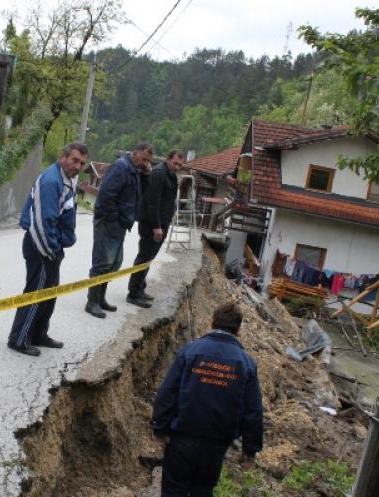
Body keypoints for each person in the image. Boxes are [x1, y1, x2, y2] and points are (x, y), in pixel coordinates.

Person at [152, 303, 263, 497]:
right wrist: (250, 450)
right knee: (203, 490)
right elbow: (252, 412)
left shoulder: (190, 351)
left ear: (212, 323)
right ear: (238, 329)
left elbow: (167, 392)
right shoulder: (246, 363)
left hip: (181, 439)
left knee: (173, 490)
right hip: (216, 445)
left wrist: (160, 429)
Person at [7, 143, 88, 357]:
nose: (78, 166)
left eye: (82, 162)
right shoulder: (51, 180)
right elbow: (43, 222)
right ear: (63, 157)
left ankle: (39, 334)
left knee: (49, 293)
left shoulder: (67, 179)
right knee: (36, 292)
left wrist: (62, 243)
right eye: (75, 160)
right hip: (40, 247)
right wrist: (51, 250)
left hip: (53, 247)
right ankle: (19, 338)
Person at [85, 143, 154, 318]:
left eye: (148, 161)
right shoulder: (121, 167)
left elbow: (142, 194)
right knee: (102, 263)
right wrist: (116, 218)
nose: (146, 163)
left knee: (113, 264)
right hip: (109, 223)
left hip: (120, 224)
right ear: (135, 153)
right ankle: (92, 302)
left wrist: (146, 175)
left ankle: (100, 299)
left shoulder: (135, 171)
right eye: (144, 159)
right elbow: (107, 195)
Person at [127, 149, 183, 307]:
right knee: (144, 257)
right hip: (151, 225)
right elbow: (153, 202)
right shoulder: (159, 173)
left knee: (149, 258)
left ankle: (140, 287)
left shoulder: (171, 175)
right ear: (168, 159)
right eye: (175, 163)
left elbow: (168, 200)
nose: (177, 167)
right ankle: (133, 293)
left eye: (180, 165)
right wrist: (157, 226)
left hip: (162, 224)